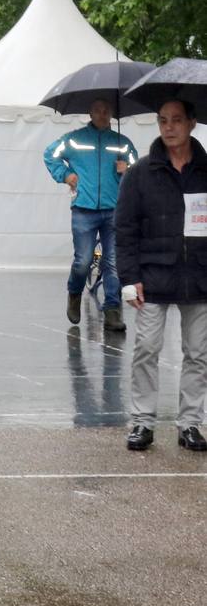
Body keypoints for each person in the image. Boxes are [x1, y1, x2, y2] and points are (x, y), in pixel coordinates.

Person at [116, 99, 207, 452]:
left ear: (192, 123)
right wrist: (128, 277)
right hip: (152, 277)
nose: (169, 127)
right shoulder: (140, 173)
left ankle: (190, 425)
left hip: (199, 278)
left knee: (198, 354)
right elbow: (123, 229)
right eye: (162, 120)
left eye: (176, 120)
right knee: (146, 350)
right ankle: (142, 422)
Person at [43, 98, 138, 332]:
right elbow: (49, 154)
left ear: (111, 113)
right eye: (97, 109)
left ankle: (113, 310)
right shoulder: (74, 139)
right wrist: (65, 175)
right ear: (91, 112)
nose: (102, 113)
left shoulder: (122, 143)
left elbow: (137, 171)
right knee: (83, 261)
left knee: (113, 262)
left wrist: (127, 169)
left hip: (115, 209)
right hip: (83, 209)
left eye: (106, 110)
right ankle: (74, 293)